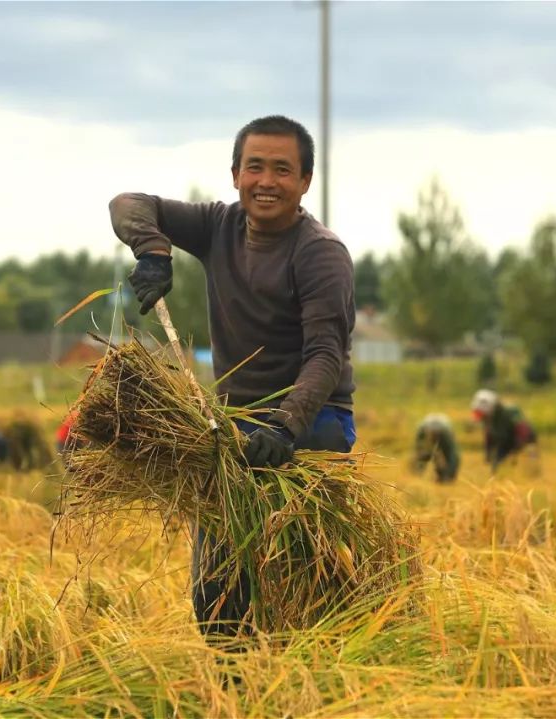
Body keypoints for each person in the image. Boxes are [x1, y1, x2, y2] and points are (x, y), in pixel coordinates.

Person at [108, 115, 356, 640]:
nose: (267, 181)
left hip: (315, 421)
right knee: (217, 593)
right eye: (255, 167)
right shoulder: (219, 226)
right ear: (236, 174)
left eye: (283, 170)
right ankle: (234, 679)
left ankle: (314, 643)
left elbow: (326, 354)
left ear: (305, 181)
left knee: (299, 577)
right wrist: (153, 251)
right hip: (238, 424)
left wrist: (286, 427)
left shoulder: (320, 254)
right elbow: (127, 204)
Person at [470, 389, 538, 472]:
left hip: (525, 442)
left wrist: (517, 450)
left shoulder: (510, 412)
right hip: (505, 443)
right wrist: (488, 454)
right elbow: (489, 436)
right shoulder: (487, 419)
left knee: (530, 467)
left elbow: (523, 430)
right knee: (497, 467)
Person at [413, 413, 460, 483]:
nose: (434, 436)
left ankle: (446, 477)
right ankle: (416, 475)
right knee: (421, 454)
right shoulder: (422, 430)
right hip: (427, 440)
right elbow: (418, 448)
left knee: (451, 456)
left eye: (435, 434)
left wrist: (449, 474)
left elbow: (452, 455)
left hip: (444, 437)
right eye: (432, 433)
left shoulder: (446, 433)